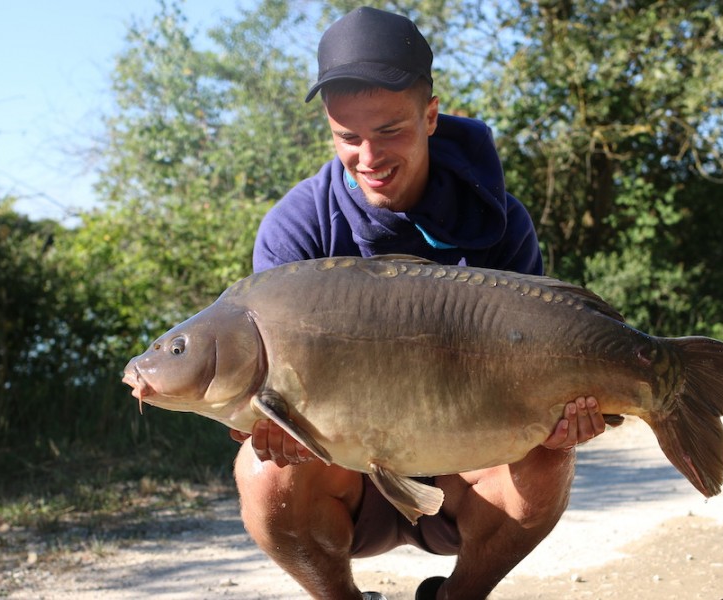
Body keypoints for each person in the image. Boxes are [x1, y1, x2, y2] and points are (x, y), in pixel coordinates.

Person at [231, 7, 608, 599]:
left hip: (464, 469)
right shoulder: (294, 232)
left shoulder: (500, 221)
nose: (369, 157)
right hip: (348, 478)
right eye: (348, 137)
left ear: (430, 116)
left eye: (390, 131)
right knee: (263, 471)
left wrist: (562, 415)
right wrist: (271, 426)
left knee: (546, 459)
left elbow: (537, 364)